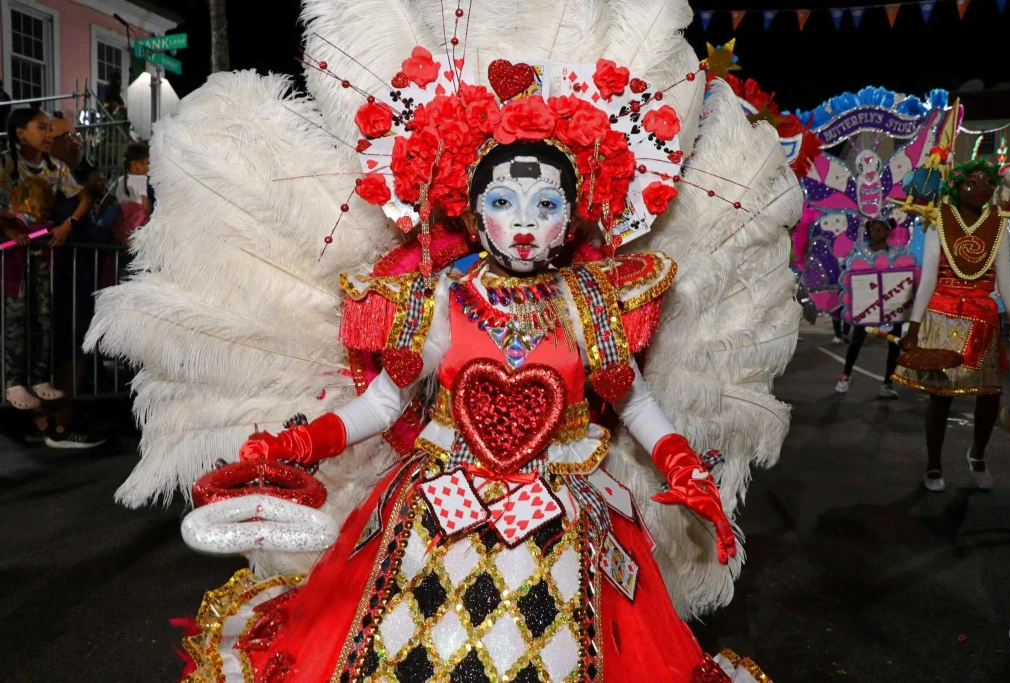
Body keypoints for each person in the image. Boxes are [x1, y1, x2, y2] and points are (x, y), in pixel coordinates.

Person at [86, 4, 801, 681]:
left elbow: (630, 398)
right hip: (434, 509)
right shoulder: (432, 300)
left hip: (565, 515)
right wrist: (299, 444)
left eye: (546, 204)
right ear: (473, 207)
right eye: (503, 201)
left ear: (573, 211)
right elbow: (381, 403)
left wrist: (680, 460)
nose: (524, 222)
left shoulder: (596, 301)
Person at [893, 160, 1010, 491]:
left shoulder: (1000, 224)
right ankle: (934, 464)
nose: (978, 189)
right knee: (941, 396)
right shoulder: (939, 221)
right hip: (941, 316)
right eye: (970, 183)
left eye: (985, 183)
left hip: (982, 320)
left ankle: (977, 454)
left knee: (990, 395)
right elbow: (929, 278)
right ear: (956, 187)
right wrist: (914, 326)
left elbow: (1005, 280)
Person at [0, 108, 91, 410]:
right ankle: (13, 382)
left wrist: (68, 225)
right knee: (15, 317)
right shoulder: (5, 163)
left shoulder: (57, 168)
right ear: (20, 132)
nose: (49, 135)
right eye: (42, 128)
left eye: (51, 129)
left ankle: (39, 378)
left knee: (43, 314)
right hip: (11, 253)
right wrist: (9, 226)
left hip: (42, 250)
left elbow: (84, 198)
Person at [835, 218, 904, 398]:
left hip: (891, 306)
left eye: (882, 228)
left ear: (889, 232)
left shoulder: (898, 253)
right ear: (869, 231)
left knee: (894, 344)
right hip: (866, 305)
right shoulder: (860, 253)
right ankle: (845, 376)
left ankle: (887, 384)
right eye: (874, 228)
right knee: (857, 341)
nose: (878, 231)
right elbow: (849, 272)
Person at [114, 142, 151, 238]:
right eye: (148, 163)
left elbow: (107, 201)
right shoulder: (144, 180)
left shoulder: (120, 180)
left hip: (122, 225)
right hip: (138, 225)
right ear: (136, 165)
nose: (150, 167)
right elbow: (146, 207)